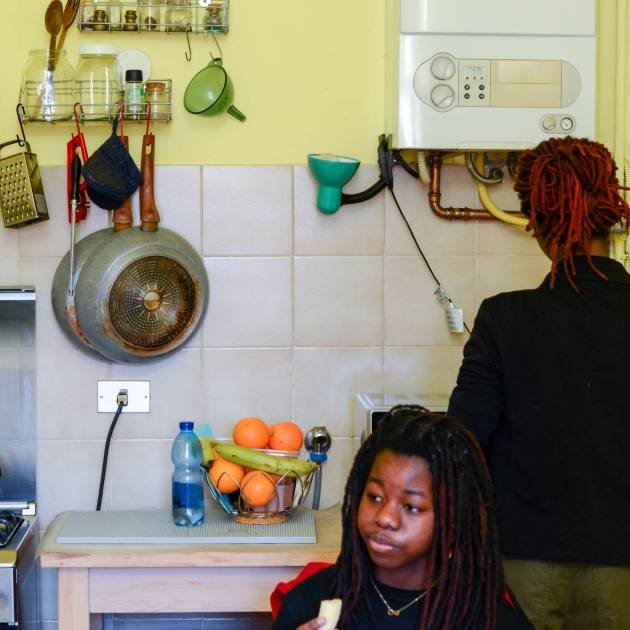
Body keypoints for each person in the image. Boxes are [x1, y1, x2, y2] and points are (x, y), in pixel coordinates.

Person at [448, 136, 630, 629]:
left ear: (537, 221)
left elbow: (461, 443)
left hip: (523, 563)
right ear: (611, 211)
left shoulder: (505, 319)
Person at [272, 405, 533, 629]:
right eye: (375, 497)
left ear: (452, 517)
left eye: (411, 507)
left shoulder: (488, 616)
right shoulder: (309, 603)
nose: (385, 518)